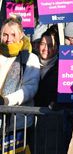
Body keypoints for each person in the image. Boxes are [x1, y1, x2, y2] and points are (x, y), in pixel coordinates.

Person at [0, 16, 40, 153]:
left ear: (21, 35)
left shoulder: (30, 58)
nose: (8, 39)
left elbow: (30, 88)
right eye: (4, 34)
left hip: (18, 126)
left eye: (13, 34)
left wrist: (6, 101)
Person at [34, 25, 60, 107]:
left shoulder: (60, 68)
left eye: (50, 45)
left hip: (49, 115)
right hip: (29, 114)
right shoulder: (30, 62)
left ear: (56, 47)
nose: (45, 48)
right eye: (43, 44)